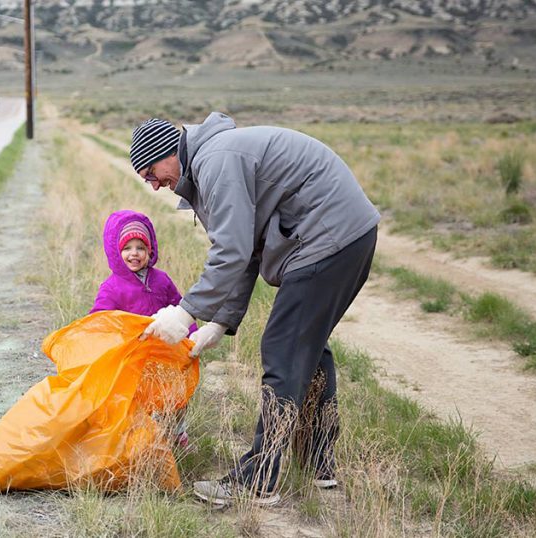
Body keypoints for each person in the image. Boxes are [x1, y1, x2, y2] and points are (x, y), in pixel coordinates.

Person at [130, 114, 380, 506]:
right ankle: (319, 464)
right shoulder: (211, 160)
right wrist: (220, 321)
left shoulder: (216, 161)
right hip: (347, 234)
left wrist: (185, 313)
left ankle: (257, 479)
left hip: (329, 236)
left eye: (152, 172)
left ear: (167, 152)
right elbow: (246, 251)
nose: (154, 184)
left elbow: (230, 252)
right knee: (307, 347)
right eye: (146, 179)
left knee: (283, 348)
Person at [90, 209, 196, 447]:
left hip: (166, 352)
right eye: (127, 248)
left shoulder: (161, 280)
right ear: (118, 253)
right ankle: (147, 439)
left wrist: (192, 333)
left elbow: (179, 307)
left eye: (140, 247)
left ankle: (177, 433)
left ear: (150, 250)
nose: (134, 253)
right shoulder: (112, 287)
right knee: (141, 399)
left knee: (176, 395)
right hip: (135, 356)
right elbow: (101, 317)